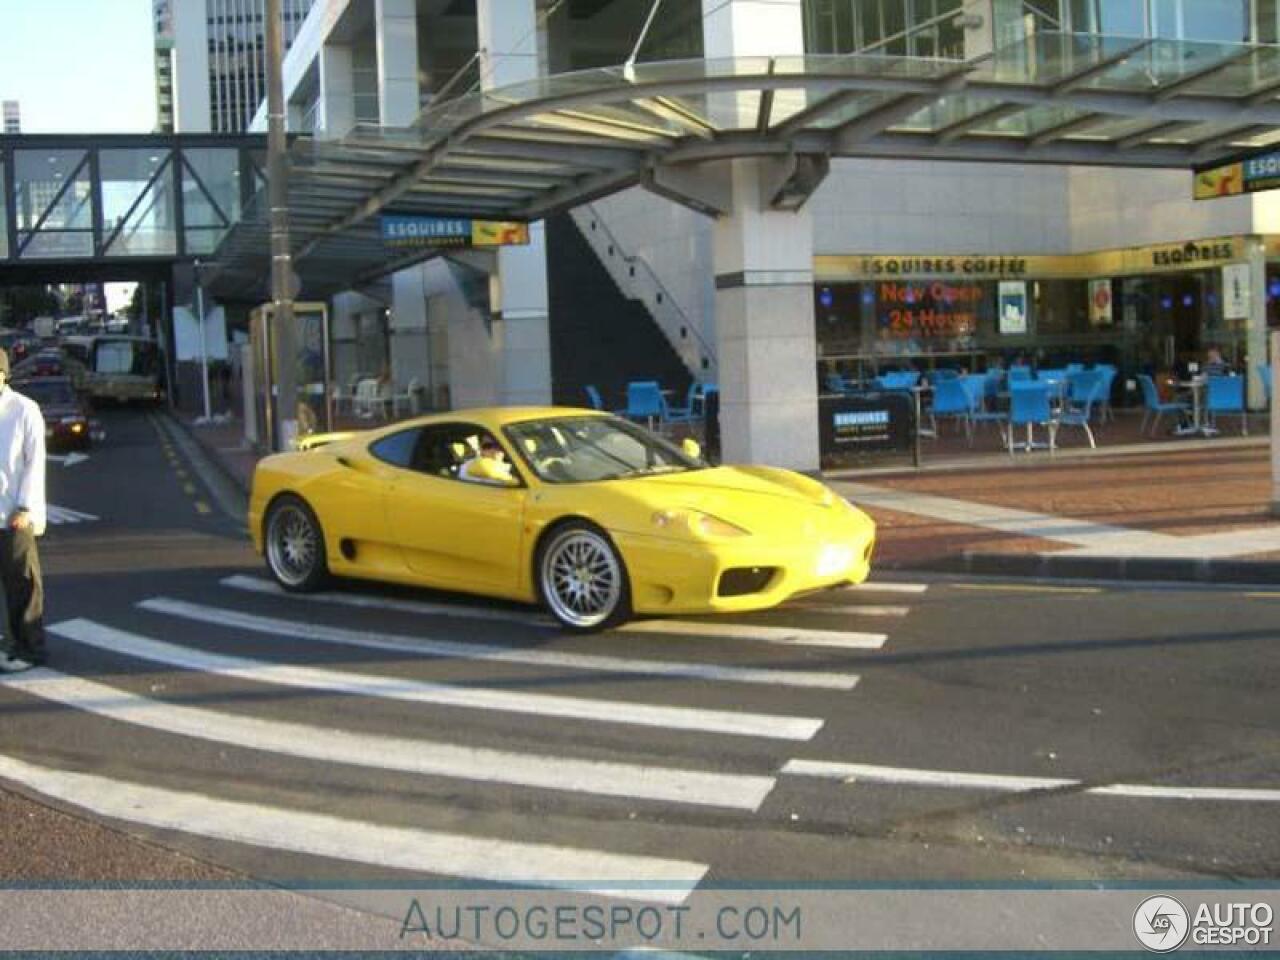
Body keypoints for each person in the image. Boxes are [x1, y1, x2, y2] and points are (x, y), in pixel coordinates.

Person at [0, 348, 47, 673]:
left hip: (15, 516)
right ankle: (9, 644)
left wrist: (26, 507)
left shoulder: (24, 410)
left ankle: (30, 648)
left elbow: (35, 463)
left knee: (22, 585)